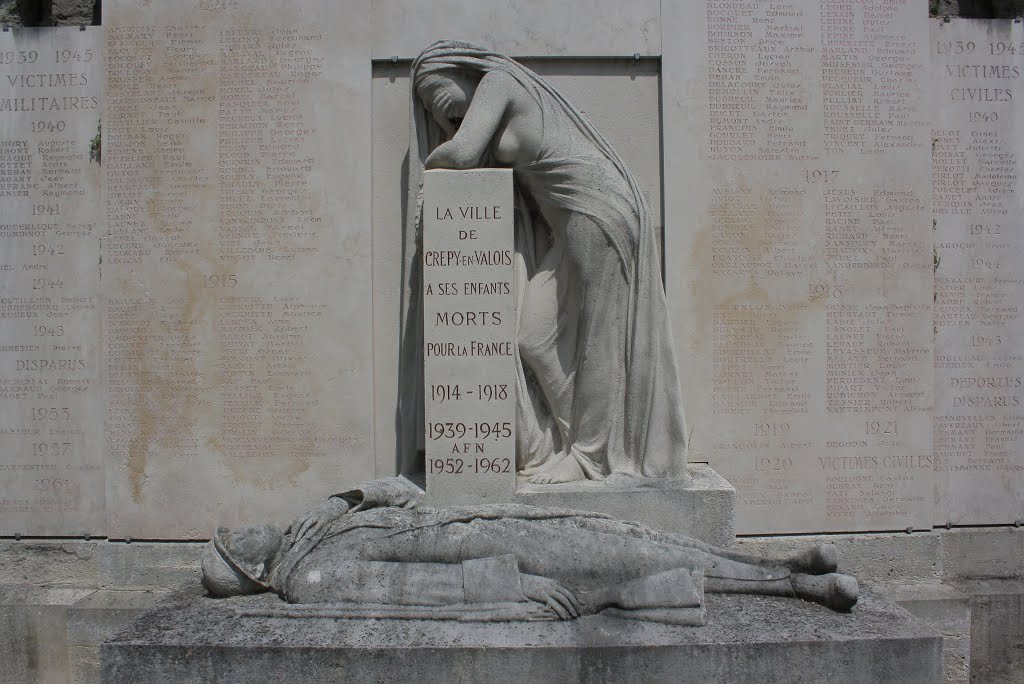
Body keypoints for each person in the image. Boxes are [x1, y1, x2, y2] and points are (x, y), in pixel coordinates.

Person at [398, 41, 689, 484]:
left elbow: (460, 154)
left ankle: (590, 456)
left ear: (462, 72)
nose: (440, 115)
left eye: (437, 96)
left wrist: (430, 163)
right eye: (431, 110)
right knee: (534, 336)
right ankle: (581, 440)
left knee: (600, 339)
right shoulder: (500, 95)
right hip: (571, 225)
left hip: (598, 211)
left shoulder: (498, 82)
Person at [202, 478, 858, 624]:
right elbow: (415, 591)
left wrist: (372, 493)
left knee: (628, 537)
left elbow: (386, 493)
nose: (246, 529)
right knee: (632, 567)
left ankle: (780, 564)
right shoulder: (310, 576)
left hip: (488, 521)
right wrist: (514, 590)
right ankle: (791, 587)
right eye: (236, 546)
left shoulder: (313, 526)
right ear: (251, 572)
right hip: (503, 558)